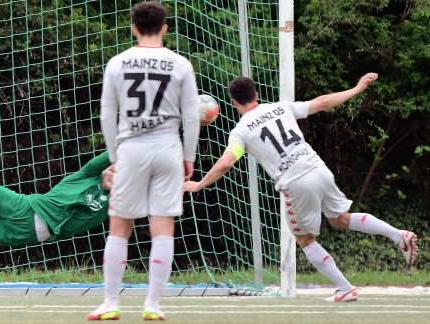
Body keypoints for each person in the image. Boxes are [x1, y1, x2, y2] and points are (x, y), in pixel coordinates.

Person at [184, 73, 418, 302]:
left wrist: (199, 184)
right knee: (340, 219)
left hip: (296, 182)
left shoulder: (241, 131)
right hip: (318, 168)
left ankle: (345, 287)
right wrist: (356, 89)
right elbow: (322, 103)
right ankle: (399, 236)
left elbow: (226, 162)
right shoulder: (281, 107)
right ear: (256, 94)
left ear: (234, 102)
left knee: (305, 240)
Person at [88, 1, 200, 321]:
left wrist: (114, 156)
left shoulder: (118, 62)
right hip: (167, 147)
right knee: (163, 227)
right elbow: (191, 116)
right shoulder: (180, 64)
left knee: (119, 229)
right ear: (165, 27)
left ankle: (111, 304)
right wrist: (188, 156)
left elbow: (108, 114)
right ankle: (153, 305)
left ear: (133, 27)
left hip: (131, 148)